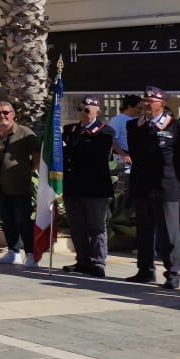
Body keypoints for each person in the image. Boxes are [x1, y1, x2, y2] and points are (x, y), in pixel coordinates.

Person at [120, 86, 180, 288]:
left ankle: (173, 274)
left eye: (151, 102)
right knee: (144, 232)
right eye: (144, 101)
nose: (146, 105)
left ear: (162, 104)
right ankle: (145, 270)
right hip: (142, 186)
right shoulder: (134, 126)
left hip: (166, 186)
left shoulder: (177, 128)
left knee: (169, 234)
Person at [61, 95, 115, 277]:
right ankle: (82, 261)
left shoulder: (105, 131)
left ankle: (98, 262)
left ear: (97, 112)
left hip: (95, 187)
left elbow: (95, 154)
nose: (83, 113)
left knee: (97, 226)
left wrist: (68, 147)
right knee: (77, 226)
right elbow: (61, 151)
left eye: (87, 110)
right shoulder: (70, 129)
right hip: (73, 185)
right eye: (81, 109)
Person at [0, 100, 41, 266]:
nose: (2, 116)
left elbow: (37, 155)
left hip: (20, 185)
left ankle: (30, 254)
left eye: (5, 112)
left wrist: (28, 170)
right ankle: (13, 252)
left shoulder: (24, 133)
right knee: (7, 220)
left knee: (24, 221)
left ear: (13, 114)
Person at [108, 95, 140, 197]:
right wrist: (123, 155)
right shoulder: (117, 120)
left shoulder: (139, 119)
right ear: (130, 106)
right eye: (138, 108)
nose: (140, 110)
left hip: (136, 156)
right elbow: (112, 139)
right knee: (124, 185)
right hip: (123, 157)